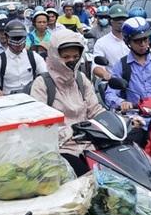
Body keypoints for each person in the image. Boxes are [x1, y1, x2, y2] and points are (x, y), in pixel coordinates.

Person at [29, 30, 104, 176]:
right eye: (66, 57)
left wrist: (115, 123)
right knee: (86, 179)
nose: (72, 61)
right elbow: (39, 124)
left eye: (76, 56)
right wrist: (70, 132)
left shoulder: (81, 79)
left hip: (89, 145)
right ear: (55, 56)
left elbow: (95, 110)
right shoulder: (42, 84)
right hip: (60, 149)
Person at [0, 20, 46, 97]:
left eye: (20, 37)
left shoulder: (34, 57)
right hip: (6, 98)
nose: (18, 42)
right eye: (14, 38)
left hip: (31, 97)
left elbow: (45, 74)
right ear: (7, 37)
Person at [93, 5, 131, 80]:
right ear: (110, 20)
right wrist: (106, 75)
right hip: (114, 82)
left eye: (123, 19)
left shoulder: (134, 39)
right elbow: (96, 67)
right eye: (117, 19)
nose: (121, 22)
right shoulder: (102, 42)